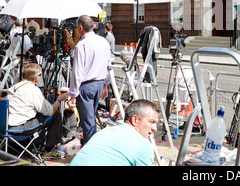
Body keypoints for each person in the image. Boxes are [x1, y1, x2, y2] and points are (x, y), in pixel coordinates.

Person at [69, 99, 159, 166]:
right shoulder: (143, 145)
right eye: (151, 122)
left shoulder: (104, 133)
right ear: (135, 119)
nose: (155, 128)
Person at [7, 63, 69, 158]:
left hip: (6, 128)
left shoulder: (13, 88)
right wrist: (59, 99)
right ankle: (49, 149)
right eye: (39, 75)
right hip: (20, 129)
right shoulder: (33, 90)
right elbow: (50, 111)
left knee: (39, 112)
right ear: (36, 78)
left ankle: (37, 143)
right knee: (55, 114)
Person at [67, 15, 111, 145]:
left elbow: (77, 72)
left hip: (86, 86)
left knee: (88, 121)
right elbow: (108, 64)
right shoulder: (103, 41)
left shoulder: (82, 45)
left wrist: (73, 94)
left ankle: (90, 151)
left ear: (80, 28)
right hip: (98, 83)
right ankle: (90, 147)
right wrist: (105, 85)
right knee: (90, 119)